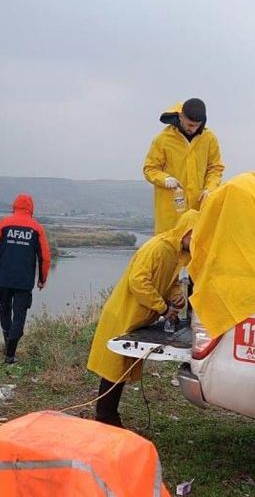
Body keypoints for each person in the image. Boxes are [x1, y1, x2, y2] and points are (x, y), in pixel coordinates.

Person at [87, 210, 199, 427]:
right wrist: (162, 307)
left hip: (138, 318)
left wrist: (176, 298)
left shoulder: (175, 253)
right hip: (123, 314)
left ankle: (109, 416)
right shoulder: (157, 248)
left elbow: (172, 281)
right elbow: (138, 282)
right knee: (113, 370)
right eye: (196, 236)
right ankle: (105, 417)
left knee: (122, 369)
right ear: (187, 231)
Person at [0, 193, 52, 364]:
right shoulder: (37, 228)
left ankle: (8, 344)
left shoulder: (4, 224)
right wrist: (42, 278)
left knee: (4, 309)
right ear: (31, 209)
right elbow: (45, 257)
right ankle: (10, 354)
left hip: (3, 278)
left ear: (14, 206)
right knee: (19, 314)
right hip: (24, 281)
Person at [143, 98, 224, 234]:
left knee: (196, 248)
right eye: (189, 124)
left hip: (198, 209)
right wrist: (165, 179)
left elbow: (215, 168)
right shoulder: (163, 139)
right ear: (181, 117)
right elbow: (150, 168)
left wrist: (210, 188)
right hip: (171, 211)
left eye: (196, 125)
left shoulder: (209, 139)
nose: (192, 128)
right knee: (168, 248)